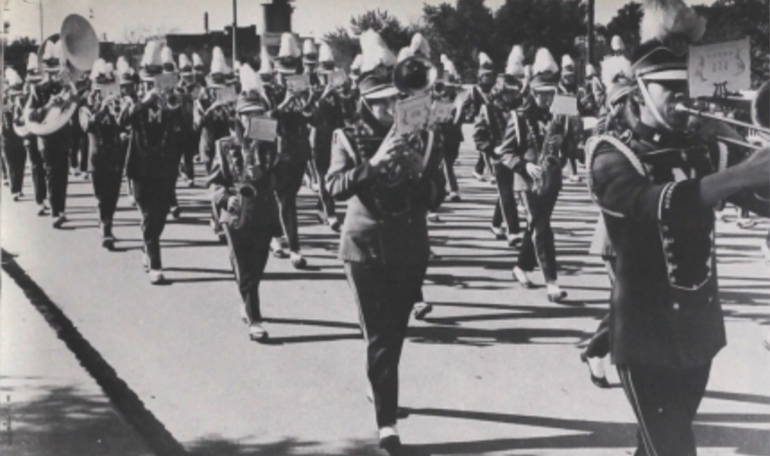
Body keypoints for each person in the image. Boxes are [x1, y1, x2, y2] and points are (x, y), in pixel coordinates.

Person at [585, 1, 769, 453]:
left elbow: (761, 202)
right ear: (641, 91)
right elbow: (653, 204)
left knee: (658, 447)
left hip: (698, 332)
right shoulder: (610, 152)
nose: (685, 100)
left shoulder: (702, 148)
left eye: (688, 88)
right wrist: (739, 173)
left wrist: (755, 160)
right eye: (671, 90)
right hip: (645, 335)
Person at [326, 30, 446, 454]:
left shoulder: (426, 135)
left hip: (410, 245)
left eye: (393, 100)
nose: (387, 109)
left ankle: (381, 386)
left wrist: (420, 171)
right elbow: (334, 186)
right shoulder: (347, 136)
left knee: (393, 334)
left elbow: (438, 197)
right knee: (380, 335)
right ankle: (387, 422)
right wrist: (373, 165)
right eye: (378, 102)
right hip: (366, 247)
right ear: (365, 101)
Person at [208, 63, 282, 342]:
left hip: (263, 212)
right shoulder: (224, 145)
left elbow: (281, 178)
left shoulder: (272, 144)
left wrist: (273, 150)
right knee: (244, 267)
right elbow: (214, 184)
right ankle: (255, 318)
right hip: (236, 215)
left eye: (257, 115)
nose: (252, 120)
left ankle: (247, 301)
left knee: (258, 265)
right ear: (238, 117)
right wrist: (226, 200)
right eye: (247, 116)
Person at [504, 47, 575, 302]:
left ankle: (521, 267)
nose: (546, 100)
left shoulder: (561, 113)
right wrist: (525, 166)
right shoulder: (519, 117)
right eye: (541, 95)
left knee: (535, 226)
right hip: (527, 182)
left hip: (551, 180)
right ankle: (552, 283)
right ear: (531, 92)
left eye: (550, 94)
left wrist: (562, 150)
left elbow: (569, 145)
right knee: (543, 227)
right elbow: (505, 152)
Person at [120, 41, 185, 284]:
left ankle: (147, 247)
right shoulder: (131, 100)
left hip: (165, 167)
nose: (152, 85)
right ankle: (156, 265)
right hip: (140, 167)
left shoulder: (172, 101)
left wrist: (175, 106)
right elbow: (122, 121)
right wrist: (145, 102)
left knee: (159, 217)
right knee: (148, 214)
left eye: (156, 80)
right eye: (148, 81)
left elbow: (182, 130)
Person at [268, 32, 314, 269]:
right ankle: (288, 244)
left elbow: (312, 119)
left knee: (288, 197)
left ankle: (282, 239)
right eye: (283, 75)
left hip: (298, 148)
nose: (287, 79)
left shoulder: (303, 89)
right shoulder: (268, 90)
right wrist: (285, 102)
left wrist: (308, 105)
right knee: (281, 197)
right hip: (274, 149)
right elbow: (264, 119)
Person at [478, 45, 526, 246]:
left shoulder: (517, 109)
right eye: (508, 93)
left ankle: (496, 224)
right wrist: (491, 149)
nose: (512, 97)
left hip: (513, 155)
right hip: (497, 156)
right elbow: (479, 137)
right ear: (500, 92)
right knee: (506, 192)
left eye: (514, 93)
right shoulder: (487, 110)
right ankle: (513, 232)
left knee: (506, 192)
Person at [26, 38, 73, 229]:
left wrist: (69, 95)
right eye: (50, 72)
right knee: (52, 173)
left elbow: (74, 107)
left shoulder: (65, 86)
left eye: (56, 72)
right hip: (46, 138)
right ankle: (55, 212)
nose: (53, 76)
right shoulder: (37, 89)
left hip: (63, 136)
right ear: (45, 71)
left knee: (62, 174)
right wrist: (47, 106)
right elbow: (31, 115)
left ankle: (60, 209)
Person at [82, 59, 127, 250]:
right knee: (101, 196)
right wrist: (102, 109)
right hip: (97, 156)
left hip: (115, 154)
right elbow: (87, 125)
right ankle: (105, 227)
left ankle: (108, 223)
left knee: (113, 195)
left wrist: (120, 110)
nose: (105, 91)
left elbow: (124, 125)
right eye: (101, 87)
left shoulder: (119, 103)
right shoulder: (87, 106)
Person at [308, 41, 345, 232]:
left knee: (333, 174)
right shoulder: (312, 91)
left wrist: (343, 96)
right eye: (325, 75)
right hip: (318, 134)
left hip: (334, 135)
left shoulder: (337, 92)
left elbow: (342, 115)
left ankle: (321, 207)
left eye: (331, 74)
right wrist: (323, 96)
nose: (328, 78)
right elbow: (310, 115)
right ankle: (330, 213)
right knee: (322, 175)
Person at [461, 52, 496, 182]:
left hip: (493, 122)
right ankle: (492, 173)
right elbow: (465, 105)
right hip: (480, 123)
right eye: (485, 75)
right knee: (486, 148)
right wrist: (470, 115)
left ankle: (478, 170)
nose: (488, 78)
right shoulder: (474, 90)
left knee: (489, 148)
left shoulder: (494, 90)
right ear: (480, 76)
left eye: (490, 75)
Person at [21, 53, 48, 215]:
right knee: (36, 166)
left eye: (38, 80)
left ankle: (51, 200)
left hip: (45, 133)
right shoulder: (22, 95)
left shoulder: (44, 92)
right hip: (30, 135)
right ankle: (40, 200)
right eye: (33, 80)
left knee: (48, 168)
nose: (35, 83)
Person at [438, 54, 464, 203]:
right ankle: (454, 190)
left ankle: (442, 188)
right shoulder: (438, 99)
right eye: (446, 87)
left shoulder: (458, 100)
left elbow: (460, 118)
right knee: (446, 163)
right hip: (441, 135)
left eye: (450, 88)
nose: (447, 90)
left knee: (448, 162)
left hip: (454, 136)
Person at [2, 68, 28, 202]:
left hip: (20, 134)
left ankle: (18, 187)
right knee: (11, 163)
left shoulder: (23, 100)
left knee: (21, 162)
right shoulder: (3, 101)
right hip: (6, 135)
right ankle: (14, 189)